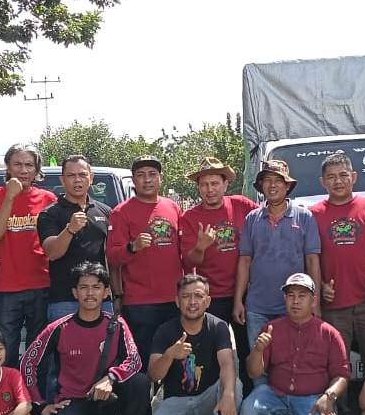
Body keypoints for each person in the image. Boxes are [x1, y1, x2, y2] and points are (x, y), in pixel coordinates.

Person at [21, 262, 151, 415]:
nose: (90, 293)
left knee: (140, 382)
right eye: (84, 287)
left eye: (96, 287)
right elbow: (28, 363)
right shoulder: (59, 328)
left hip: (108, 398)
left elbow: (134, 361)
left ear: (106, 292)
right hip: (72, 400)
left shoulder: (117, 324)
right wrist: (40, 404)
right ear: (75, 292)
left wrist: (111, 378)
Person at [310, 153, 365, 415]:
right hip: (333, 305)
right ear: (322, 182)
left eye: (343, 175)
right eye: (331, 177)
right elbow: (309, 257)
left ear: (354, 177)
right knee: (338, 364)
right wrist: (320, 287)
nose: (338, 181)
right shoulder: (314, 214)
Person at [240, 273, 349, 415]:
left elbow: (342, 376)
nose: (296, 301)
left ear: (313, 300)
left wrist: (328, 396)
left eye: (302, 296)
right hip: (277, 395)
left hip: (312, 400)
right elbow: (253, 372)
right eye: (291, 295)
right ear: (285, 299)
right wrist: (258, 350)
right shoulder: (272, 328)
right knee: (248, 412)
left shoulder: (329, 333)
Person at [178, 157, 257, 392]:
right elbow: (188, 261)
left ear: (225, 184)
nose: (209, 189)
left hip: (245, 292)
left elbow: (267, 220)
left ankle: (248, 398)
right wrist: (201, 247)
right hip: (211, 296)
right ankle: (210, 397)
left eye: (214, 183)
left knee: (247, 348)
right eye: (204, 184)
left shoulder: (242, 206)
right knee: (210, 350)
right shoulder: (190, 217)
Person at [146, 275, 241, 415]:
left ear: (208, 301)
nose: (192, 302)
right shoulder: (165, 330)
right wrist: (169, 355)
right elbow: (153, 375)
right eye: (186, 296)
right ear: (177, 301)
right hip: (178, 400)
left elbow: (227, 363)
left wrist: (228, 395)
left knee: (233, 386)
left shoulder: (218, 326)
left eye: (198, 296)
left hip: (209, 397)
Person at [0, 144, 56, 368]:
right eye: (18, 164)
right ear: (8, 167)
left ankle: (34, 390)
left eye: (29, 165)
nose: (23, 170)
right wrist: (10, 197)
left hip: (42, 284)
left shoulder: (48, 198)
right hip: (8, 288)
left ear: (37, 169)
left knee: (38, 352)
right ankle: (10, 390)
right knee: (5, 351)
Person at [233, 160, 321, 347]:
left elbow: (312, 261)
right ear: (261, 185)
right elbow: (245, 261)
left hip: (294, 306)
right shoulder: (252, 219)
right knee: (259, 359)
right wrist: (238, 300)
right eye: (267, 180)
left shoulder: (304, 217)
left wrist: (316, 301)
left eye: (278, 180)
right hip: (257, 307)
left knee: (293, 359)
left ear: (287, 186)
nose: (272, 185)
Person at [106, 155, 182, 367]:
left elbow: (182, 251)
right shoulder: (121, 212)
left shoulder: (172, 207)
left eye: (152, 174)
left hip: (174, 299)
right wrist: (132, 246)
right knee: (144, 360)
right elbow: (112, 256)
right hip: (140, 303)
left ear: (160, 178)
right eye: (141, 175)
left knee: (175, 359)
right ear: (133, 180)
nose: (147, 180)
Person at [38, 155, 113, 321]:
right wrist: (70, 229)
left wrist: (117, 294)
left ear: (91, 178)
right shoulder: (50, 213)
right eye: (71, 175)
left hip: (102, 299)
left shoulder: (105, 211)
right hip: (65, 300)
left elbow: (112, 256)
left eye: (82, 174)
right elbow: (52, 253)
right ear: (62, 180)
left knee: (104, 339)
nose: (77, 180)